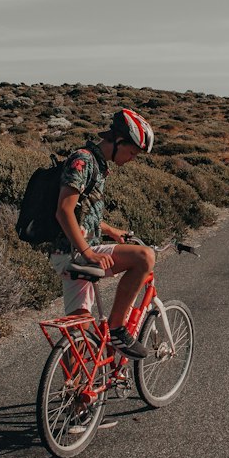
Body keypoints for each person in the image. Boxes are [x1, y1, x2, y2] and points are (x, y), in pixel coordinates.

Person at [52, 107, 155, 360]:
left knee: (80, 332)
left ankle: (77, 393)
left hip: (67, 253)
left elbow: (82, 213)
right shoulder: (84, 160)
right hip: (77, 252)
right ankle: (118, 329)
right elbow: (63, 211)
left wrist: (110, 230)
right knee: (145, 257)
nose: (131, 159)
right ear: (118, 141)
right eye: (131, 152)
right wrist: (89, 253)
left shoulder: (96, 164)